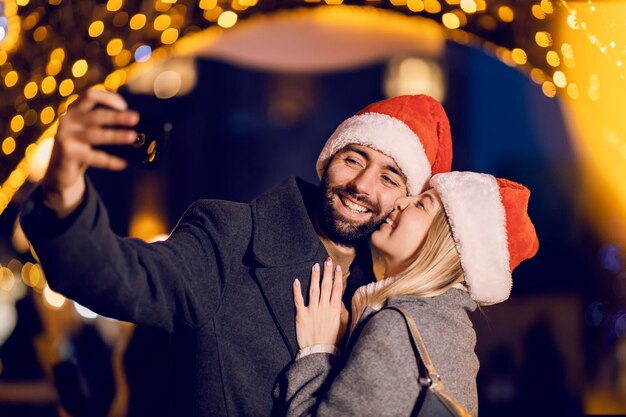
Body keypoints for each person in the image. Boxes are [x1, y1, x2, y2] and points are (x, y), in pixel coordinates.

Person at [20, 89, 453, 417]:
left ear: (405, 201)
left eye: (390, 177)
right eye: (354, 159)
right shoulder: (234, 236)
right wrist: (63, 192)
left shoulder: (391, 297)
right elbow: (127, 278)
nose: (362, 186)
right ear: (327, 160)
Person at [276, 171, 539, 417]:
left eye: (422, 204)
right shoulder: (449, 329)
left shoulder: (400, 329)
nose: (402, 202)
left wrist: (318, 354)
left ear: (446, 242)